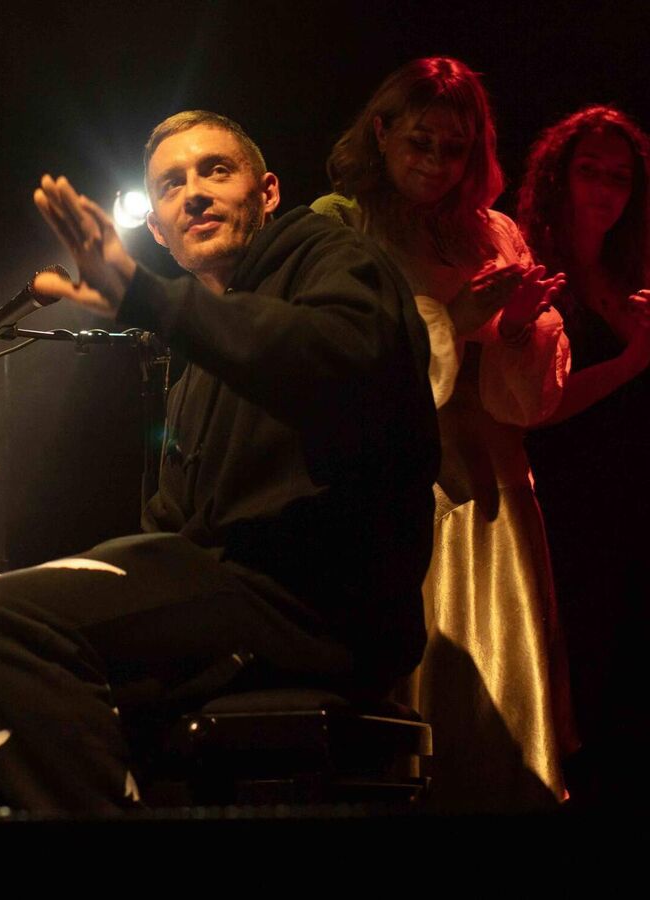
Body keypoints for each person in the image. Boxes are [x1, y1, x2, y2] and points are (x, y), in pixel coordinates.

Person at [0, 110, 439, 812]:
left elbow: (332, 354)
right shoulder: (199, 341)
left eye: (215, 170)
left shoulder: (330, 256)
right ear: (160, 228)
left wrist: (145, 296)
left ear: (267, 192)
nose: (193, 194)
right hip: (236, 595)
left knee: (0, 623)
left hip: (311, 604)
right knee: (22, 668)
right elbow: (176, 526)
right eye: (170, 185)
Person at [313, 57, 574, 810]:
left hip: (493, 482)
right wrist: (454, 322)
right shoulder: (343, 222)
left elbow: (528, 396)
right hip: (397, 478)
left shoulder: (492, 231)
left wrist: (520, 329)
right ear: (383, 132)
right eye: (420, 142)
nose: (434, 164)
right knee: (408, 678)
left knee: (500, 700)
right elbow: (336, 360)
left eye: (453, 149)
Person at [518, 105, 650, 807]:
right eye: (589, 171)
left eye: (620, 178)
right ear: (558, 177)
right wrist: (636, 359)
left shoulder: (628, 274)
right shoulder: (540, 274)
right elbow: (544, 404)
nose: (604, 189)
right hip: (569, 503)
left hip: (631, 501)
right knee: (583, 675)